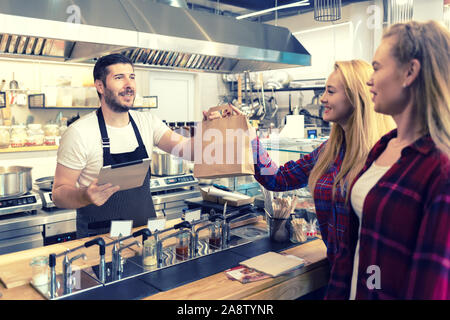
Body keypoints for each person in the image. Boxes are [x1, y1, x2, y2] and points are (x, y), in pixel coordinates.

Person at [213, 60, 396, 299]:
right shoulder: (330, 149)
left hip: (372, 281)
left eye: (330, 91)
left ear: (356, 97)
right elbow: (278, 179)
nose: (322, 99)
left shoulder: (384, 154)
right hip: (337, 274)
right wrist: (249, 135)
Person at [348, 20, 450, 300]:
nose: (370, 79)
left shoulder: (440, 170)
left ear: (410, 72)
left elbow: (431, 287)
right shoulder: (383, 147)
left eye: (377, 67)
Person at [52, 54, 195, 238]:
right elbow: (58, 194)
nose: (129, 85)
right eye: (119, 78)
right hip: (100, 242)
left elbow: (190, 150)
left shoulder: (147, 122)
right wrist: (85, 196)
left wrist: (218, 127)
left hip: (146, 237)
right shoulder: (79, 133)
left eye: (132, 77)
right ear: (100, 86)